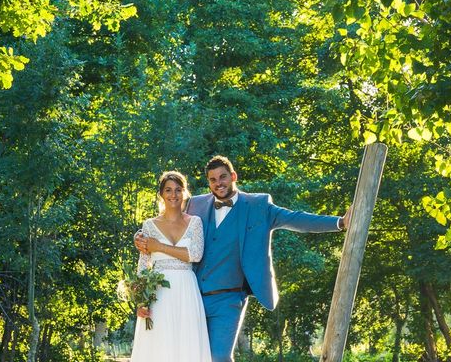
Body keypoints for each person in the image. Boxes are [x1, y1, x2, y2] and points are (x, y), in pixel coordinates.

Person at [135, 155, 351, 362]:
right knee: (190, 355)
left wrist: (339, 223)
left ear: (233, 176)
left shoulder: (258, 206)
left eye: (223, 177)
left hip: (228, 299)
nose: (218, 183)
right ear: (208, 183)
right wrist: (141, 237)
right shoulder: (196, 205)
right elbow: (166, 220)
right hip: (191, 297)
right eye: (213, 180)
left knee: (219, 357)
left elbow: (296, 218)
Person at [130, 171, 212, 362]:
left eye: (178, 190)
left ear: (185, 193)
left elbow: (195, 255)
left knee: (187, 344)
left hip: (186, 290)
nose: (173, 195)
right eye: (168, 190)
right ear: (161, 194)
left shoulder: (195, 222)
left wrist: (158, 246)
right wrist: (141, 300)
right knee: (159, 344)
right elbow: (143, 265)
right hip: (158, 293)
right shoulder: (149, 225)